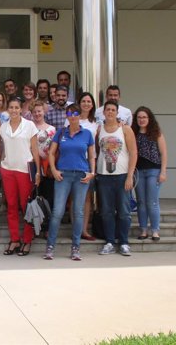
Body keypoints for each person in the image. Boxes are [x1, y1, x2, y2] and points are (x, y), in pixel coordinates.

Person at [43, 103, 96, 261]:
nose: (73, 116)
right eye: (70, 113)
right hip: (63, 175)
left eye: (76, 113)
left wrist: (92, 172)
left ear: (79, 115)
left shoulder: (87, 134)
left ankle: (75, 247)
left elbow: (92, 155)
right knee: (58, 211)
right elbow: (52, 152)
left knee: (78, 212)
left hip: (81, 175)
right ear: (67, 116)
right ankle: (50, 247)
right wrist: (53, 169)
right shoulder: (60, 132)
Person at [0, 97, 41, 256]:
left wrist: (38, 172)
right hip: (8, 169)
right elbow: (3, 148)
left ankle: (27, 240)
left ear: (21, 109)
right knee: (11, 206)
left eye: (16, 107)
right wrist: (0, 161)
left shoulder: (29, 126)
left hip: (24, 170)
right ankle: (15, 239)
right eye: (11, 107)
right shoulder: (3, 127)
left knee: (26, 206)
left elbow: (35, 149)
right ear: (7, 109)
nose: (14, 110)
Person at [96, 100, 138, 256]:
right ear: (104, 112)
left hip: (121, 176)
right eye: (108, 109)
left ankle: (124, 242)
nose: (110, 112)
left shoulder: (125, 130)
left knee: (124, 211)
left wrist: (130, 176)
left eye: (113, 110)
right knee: (106, 211)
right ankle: (109, 241)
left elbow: (133, 153)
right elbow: (96, 152)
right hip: (104, 176)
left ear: (117, 112)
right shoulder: (100, 129)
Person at [132, 106, 168, 241]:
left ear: (149, 118)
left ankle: (155, 230)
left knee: (152, 202)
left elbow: (164, 153)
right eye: (139, 117)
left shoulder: (156, 133)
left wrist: (163, 171)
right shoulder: (133, 133)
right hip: (139, 171)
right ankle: (143, 230)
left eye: (144, 117)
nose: (141, 120)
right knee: (141, 201)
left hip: (154, 171)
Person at [74, 92, 99, 241]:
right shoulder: (71, 119)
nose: (86, 104)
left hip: (88, 164)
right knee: (73, 199)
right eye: (83, 101)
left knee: (87, 198)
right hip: (72, 163)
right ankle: (75, 229)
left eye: (89, 101)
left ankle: (84, 230)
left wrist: (94, 168)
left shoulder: (96, 123)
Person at [31, 101, 56, 210]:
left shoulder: (52, 129)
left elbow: (55, 147)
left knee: (48, 194)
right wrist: (36, 153)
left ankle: (47, 221)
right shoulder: (28, 127)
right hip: (32, 164)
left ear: (44, 112)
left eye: (39, 111)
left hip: (47, 166)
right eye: (34, 112)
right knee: (34, 193)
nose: (37, 114)